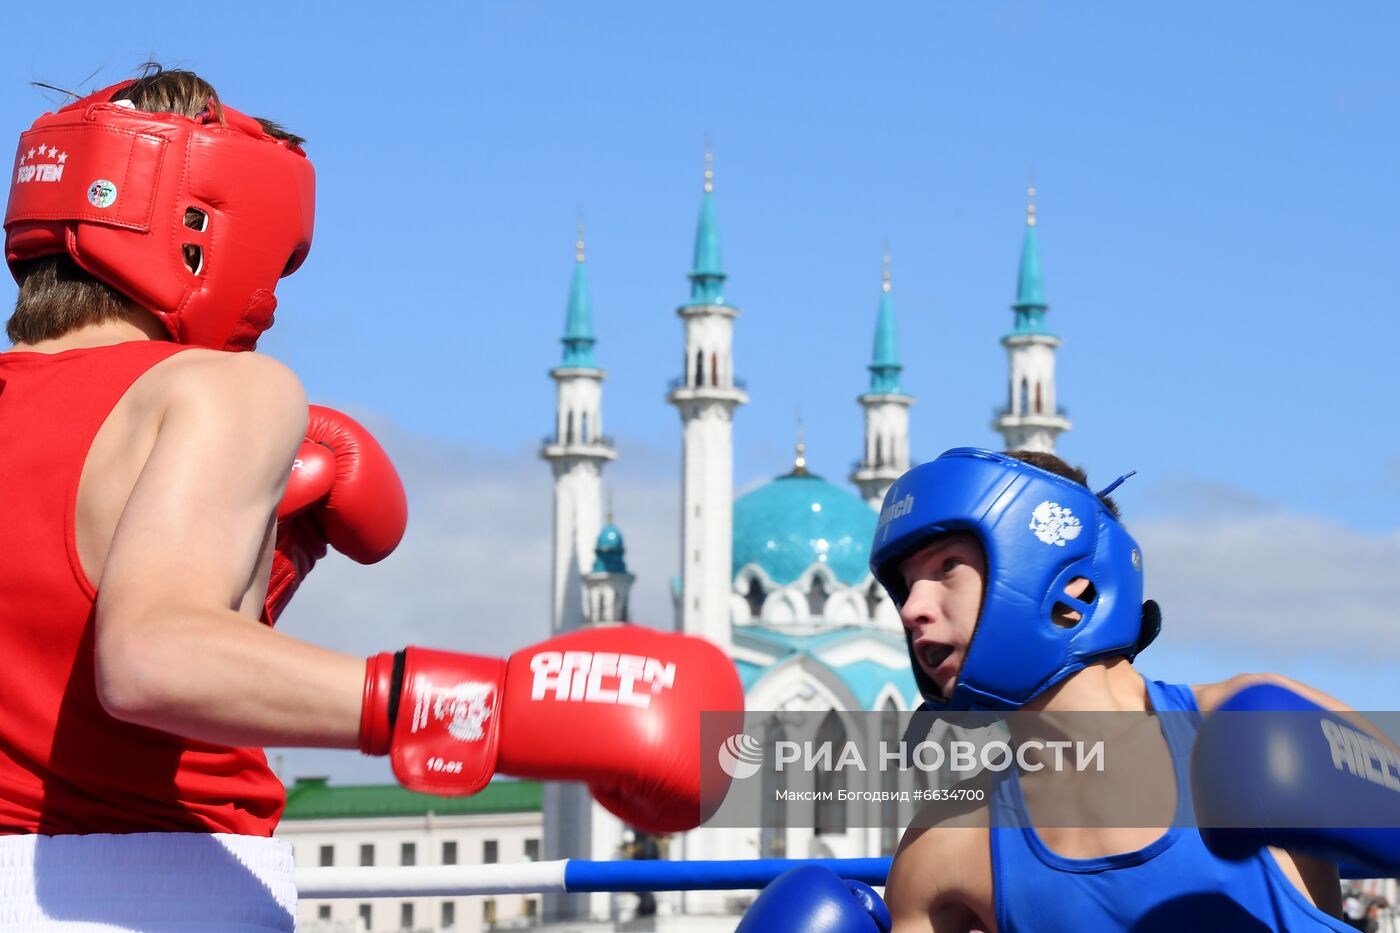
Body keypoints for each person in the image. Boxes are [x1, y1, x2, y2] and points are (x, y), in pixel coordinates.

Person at [1, 67, 742, 930]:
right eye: (278, 261)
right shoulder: (221, 392)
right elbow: (149, 657)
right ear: (204, 228)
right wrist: (461, 704)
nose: (271, 302)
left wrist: (252, 596)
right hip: (157, 889)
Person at [738, 447, 1399, 932]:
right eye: (905, 584)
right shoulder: (946, 846)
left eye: (946, 569)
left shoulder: (1240, 724)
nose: (913, 608)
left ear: (1070, 588)